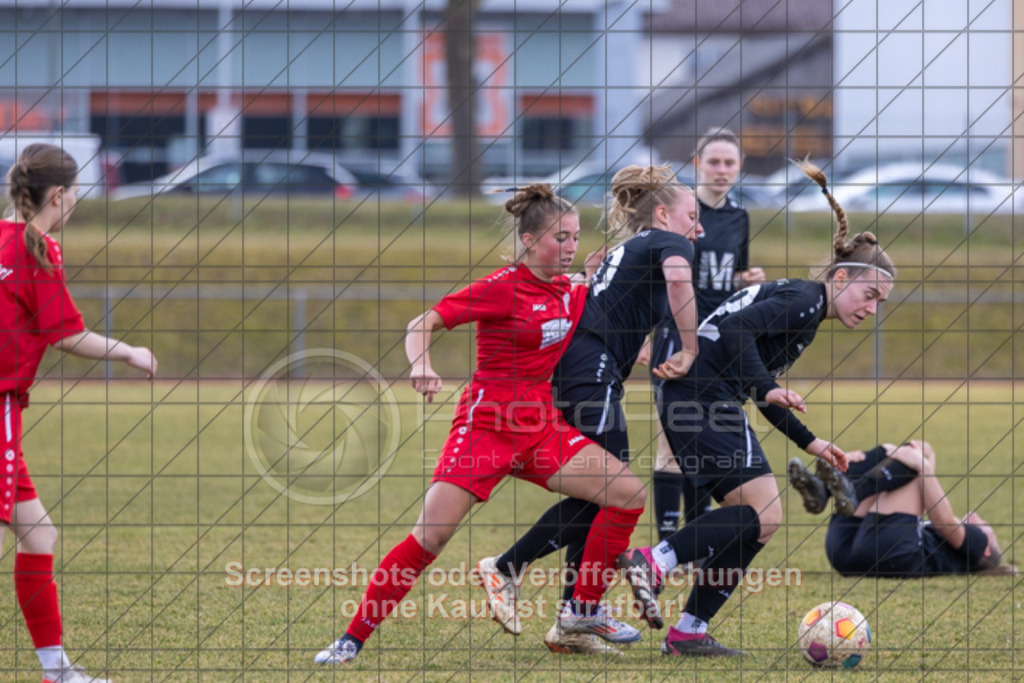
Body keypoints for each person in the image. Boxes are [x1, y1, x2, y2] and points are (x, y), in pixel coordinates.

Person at [313, 185, 651, 665]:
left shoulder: (571, 289)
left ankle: (581, 610)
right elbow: (422, 322)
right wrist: (422, 365)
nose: (572, 246)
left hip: (540, 427)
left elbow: (602, 306)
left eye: (576, 237)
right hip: (486, 427)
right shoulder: (502, 286)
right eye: (561, 237)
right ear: (531, 241)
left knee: (627, 493)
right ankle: (351, 639)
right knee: (431, 537)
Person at [617, 159, 896, 657]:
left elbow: (756, 381)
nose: (871, 308)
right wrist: (767, 387)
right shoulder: (805, 300)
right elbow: (735, 331)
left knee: (757, 519)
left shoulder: (806, 311)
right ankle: (654, 561)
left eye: (880, 302)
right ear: (843, 275)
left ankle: (688, 633)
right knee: (763, 513)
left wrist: (811, 442)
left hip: (701, 397)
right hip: (703, 396)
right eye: (870, 294)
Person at [473, 165, 703, 656]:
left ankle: (572, 617)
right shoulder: (668, 242)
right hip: (589, 370)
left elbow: (612, 301)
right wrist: (689, 349)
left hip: (587, 368)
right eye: (693, 216)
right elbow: (679, 284)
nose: (699, 227)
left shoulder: (631, 248)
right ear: (663, 214)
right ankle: (517, 572)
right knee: (612, 489)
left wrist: (633, 344)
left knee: (603, 493)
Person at [1, 143, 158, 683]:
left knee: (38, 535)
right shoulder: (35, 248)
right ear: (60, 195)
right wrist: (130, 351)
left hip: (7, 413)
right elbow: (65, 334)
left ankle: (57, 671)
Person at [649, 128, 766, 540]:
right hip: (674, 336)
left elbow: (726, 277)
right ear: (697, 163)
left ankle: (692, 540)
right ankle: (666, 540)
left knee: (704, 448)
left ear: (739, 168)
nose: (721, 170)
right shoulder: (674, 211)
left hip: (719, 342)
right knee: (671, 441)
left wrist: (746, 280)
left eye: (729, 163)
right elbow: (654, 272)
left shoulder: (739, 216)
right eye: (713, 161)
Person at [789, 441, 1016, 576]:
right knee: (912, 451)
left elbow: (944, 523)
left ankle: (846, 489)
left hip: (889, 554)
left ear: (987, 549)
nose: (983, 522)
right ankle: (828, 489)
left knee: (919, 458)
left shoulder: (977, 546)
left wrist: (924, 466)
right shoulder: (945, 548)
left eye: (987, 527)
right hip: (848, 554)